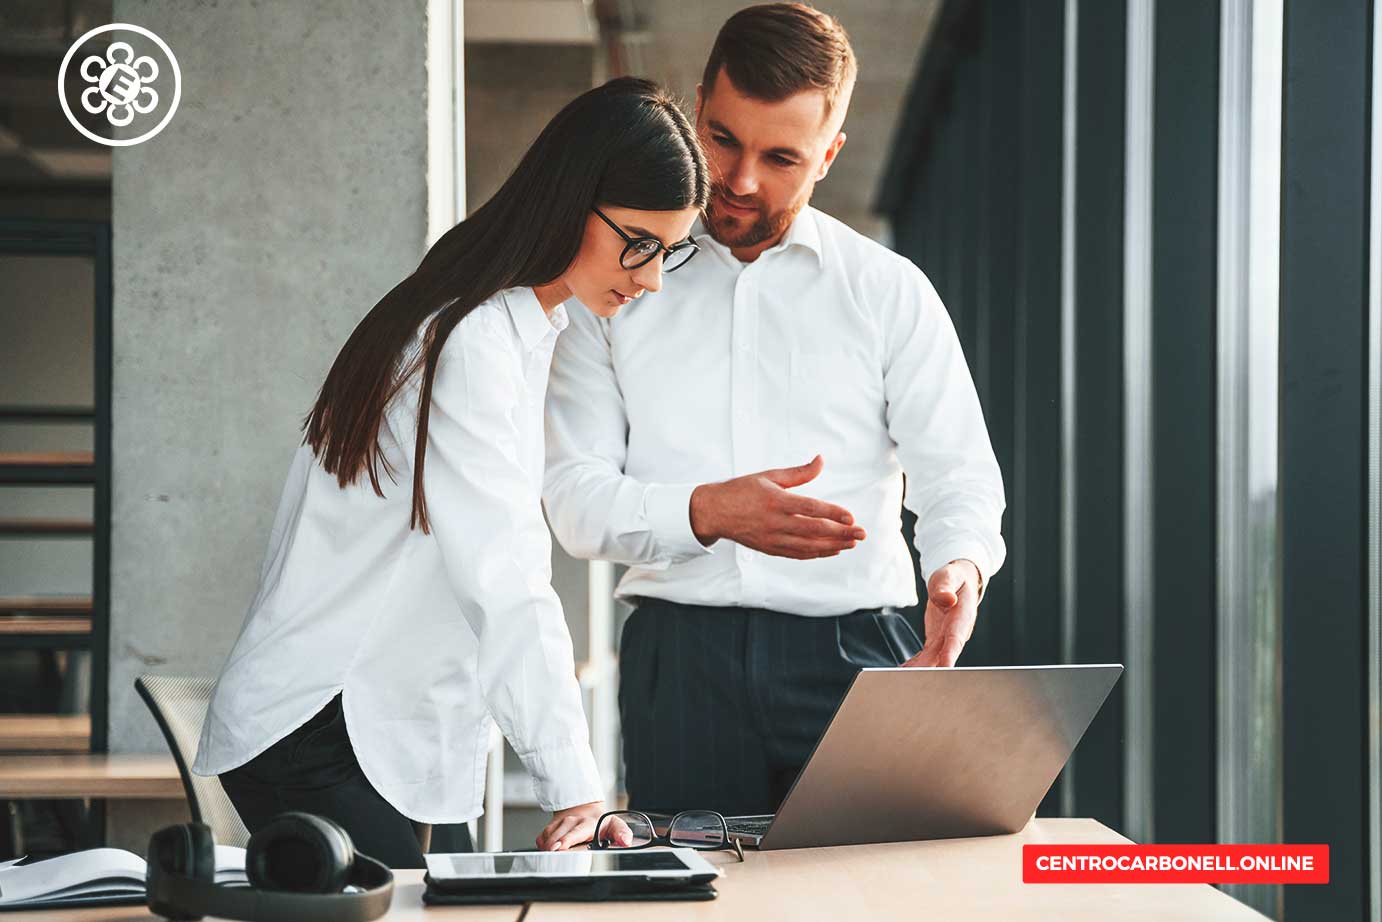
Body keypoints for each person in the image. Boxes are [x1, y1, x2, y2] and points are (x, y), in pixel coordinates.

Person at [191, 76, 709, 868]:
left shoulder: (510, 327)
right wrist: (574, 784)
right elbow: (503, 573)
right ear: (573, 199)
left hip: (368, 727)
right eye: (638, 242)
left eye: (670, 251)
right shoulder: (471, 341)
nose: (650, 278)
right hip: (322, 724)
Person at [543, 4, 1006, 818]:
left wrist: (958, 566)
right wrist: (709, 512)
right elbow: (574, 502)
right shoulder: (610, 283)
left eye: (782, 156)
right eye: (723, 139)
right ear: (696, 109)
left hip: (859, 656)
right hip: (679, 660)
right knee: (690, 903)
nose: (741, 180)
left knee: (869, 897)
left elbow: (959, 475)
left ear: (829, 155)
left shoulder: (889, 291)